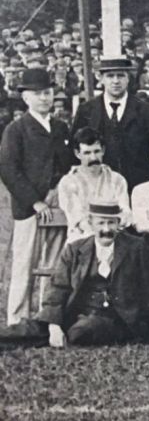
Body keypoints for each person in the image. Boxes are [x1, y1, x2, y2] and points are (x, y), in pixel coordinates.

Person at [0, 67, 74, 327]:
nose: (44, 98)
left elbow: (68, 164)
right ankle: (17, 318)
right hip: (29, 206)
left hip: (56, 202)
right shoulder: (16, 129)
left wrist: (59, 189)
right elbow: (9, 169)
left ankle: (46, 313)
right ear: (25, 98)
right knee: (25, 261)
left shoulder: (61, 127)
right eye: (38, 94)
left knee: (53, 260)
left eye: (48, 93)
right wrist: (35, 201)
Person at [37, 201, 149, 347]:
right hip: (76, 312)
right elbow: (58, 287)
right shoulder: (74, 250)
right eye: (100, 223)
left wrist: (140, 325)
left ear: (118, 223)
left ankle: (64, 336)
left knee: (83, 331)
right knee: (26, 329)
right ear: (90, 223)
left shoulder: (137, 248)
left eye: (111, 223)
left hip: (117, 318)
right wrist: (54, 326)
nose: (106, 229)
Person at [71, 55, 149, 189]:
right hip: (98, 186)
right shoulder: (86, 110)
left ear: (128, 78)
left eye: (120, 75)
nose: (116, 81)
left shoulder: (145, 111)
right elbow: (75, 150)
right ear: (101, 78)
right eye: (110, 76)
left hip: (137, 186)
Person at [57, 127, 132, 243]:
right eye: (87, 153)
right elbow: (79, 220)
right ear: (77, 154)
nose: (93, 158)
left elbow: (125, 214)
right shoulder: (68, 182)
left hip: (114, 239)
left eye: (96, 151)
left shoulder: (117, 179)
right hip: (82, 241)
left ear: (103, 150)